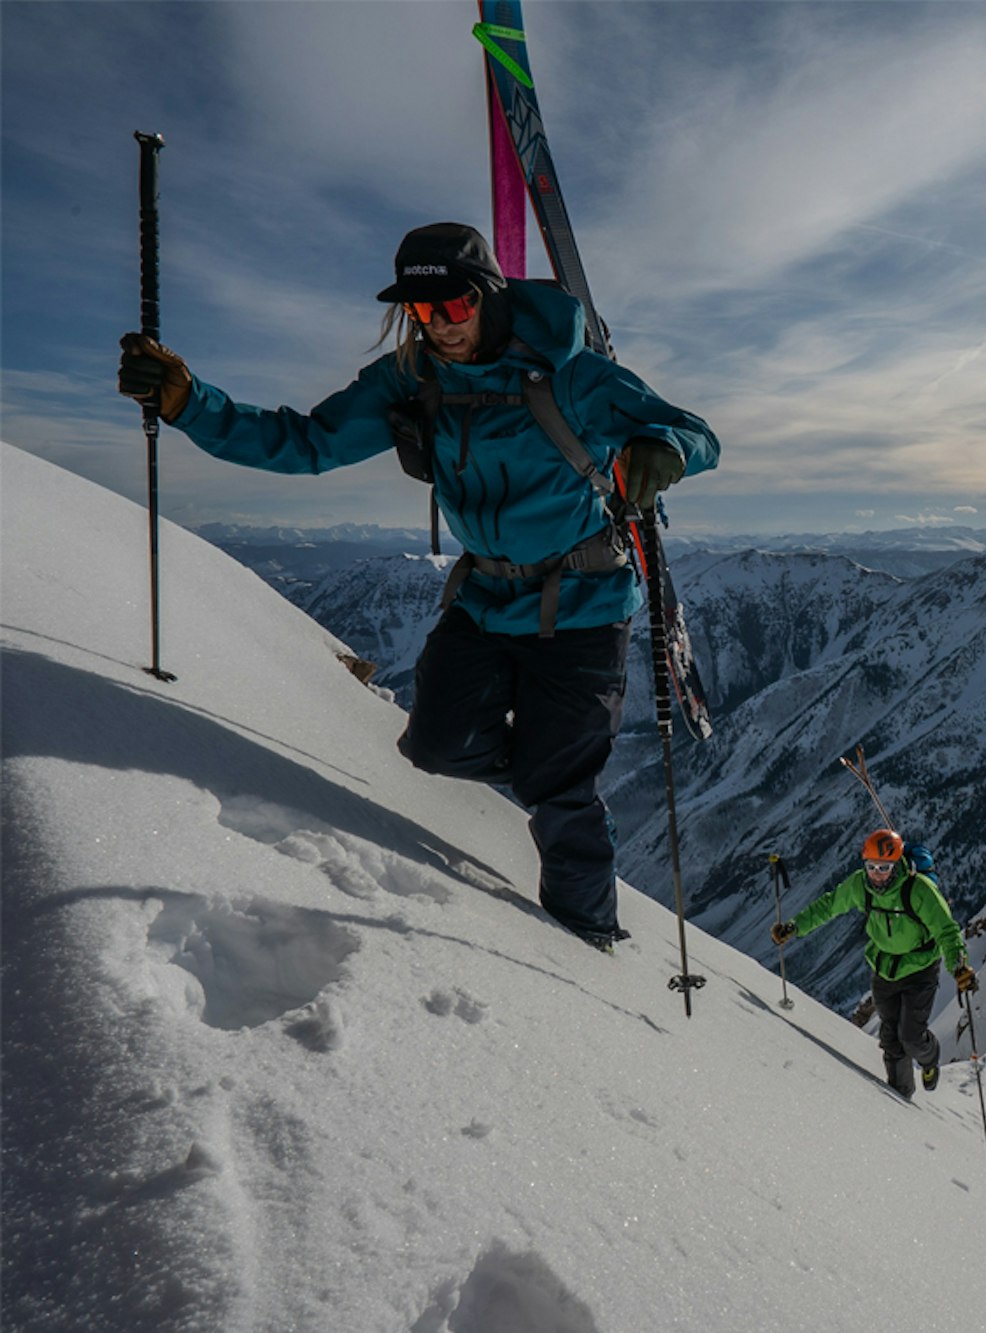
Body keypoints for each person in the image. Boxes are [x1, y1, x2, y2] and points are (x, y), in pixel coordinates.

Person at [118, 221, 719, 953]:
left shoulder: (573, 374)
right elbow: (308, 442)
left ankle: (588, 942)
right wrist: (190, 404)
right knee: (433, 745)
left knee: (562, 795)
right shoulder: (414, 377)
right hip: (487, 601)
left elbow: (694, 431)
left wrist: (667, 450)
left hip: (584, 607)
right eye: (421, 311)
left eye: (452, 307)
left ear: (487, 295)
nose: (437, 326)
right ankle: (549, 767)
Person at [773, 829, 975, 1097]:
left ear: (896, 865)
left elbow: (946, 932)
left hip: (920, 970)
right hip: (883, 969)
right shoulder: (861, 886)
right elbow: (829, 905)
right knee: (891, 1039)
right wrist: (794, 927)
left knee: (912, 1038)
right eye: (871, 867)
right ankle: (900, 1098)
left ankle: (929, 1059)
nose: (877, 873)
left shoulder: (918, 890)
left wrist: (958, 966)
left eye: (884, 867)